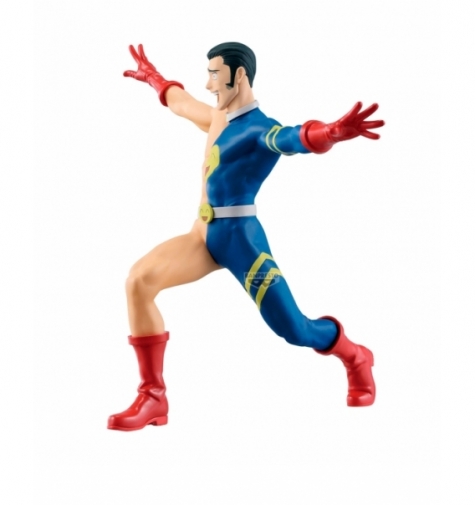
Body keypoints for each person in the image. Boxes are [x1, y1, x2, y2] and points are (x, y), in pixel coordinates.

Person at [107, 42, 384, 431]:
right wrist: (152, 76)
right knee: (138, 281)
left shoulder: (259, 129)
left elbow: (292, 139)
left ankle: (355, 356)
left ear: (239, 75)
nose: (208, 85)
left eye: (214, 75)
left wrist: (331, 133)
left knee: (295, 330)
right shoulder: (218, 118)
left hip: (241, 242)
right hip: (202, 237)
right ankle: (153, 396)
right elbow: (180, 103)